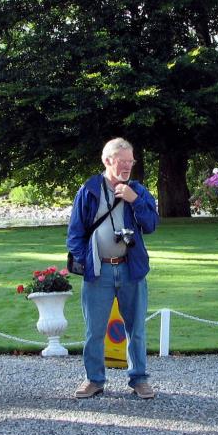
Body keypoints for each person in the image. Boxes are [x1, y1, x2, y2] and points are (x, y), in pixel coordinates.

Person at [67, 138, 159, 399]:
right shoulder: (89, 190)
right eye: (123, 161)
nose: (128, 166)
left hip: (131, 270)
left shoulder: (138, 190)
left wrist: (134, 200)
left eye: (131, 161)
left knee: (136, 330)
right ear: (107, 161)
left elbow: (151, 224)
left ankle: (139, 379)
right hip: (99, 271)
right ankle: (94, 379)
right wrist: (85, 262)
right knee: (94, 330)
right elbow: (74, 234)